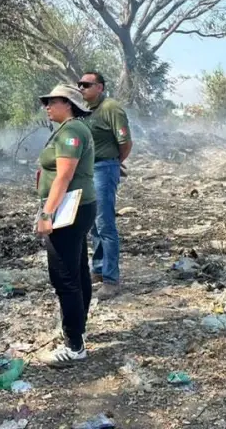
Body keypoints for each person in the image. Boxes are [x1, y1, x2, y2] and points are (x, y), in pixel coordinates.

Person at [36, 84, 97, 365]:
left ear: (69, 104)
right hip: (76, 206)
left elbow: (64, 176)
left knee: (64, 276)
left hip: (68, 208)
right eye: (45, 102)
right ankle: (78, 328)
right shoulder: (69, 129)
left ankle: (74, 345)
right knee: (78, 270)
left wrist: (46, 214)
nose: (47, 106)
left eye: (53, 101)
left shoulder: (72, 131)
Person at [77, 71, 132, 300]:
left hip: (103, 169)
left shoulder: (111, 108)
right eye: (80, 84)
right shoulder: (84, 110)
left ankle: (111, 279)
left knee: (105, 224)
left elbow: (125, 142)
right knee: (93, 224)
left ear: (100, 87)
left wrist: (114, 163)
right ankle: (98, 270)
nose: (82, 88)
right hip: (88, 170)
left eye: (87, 84)